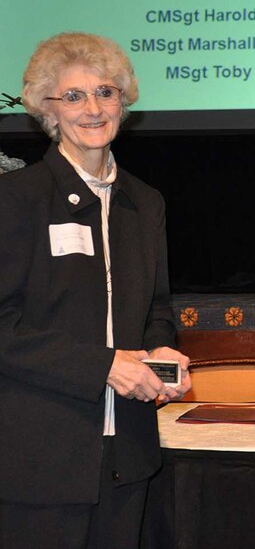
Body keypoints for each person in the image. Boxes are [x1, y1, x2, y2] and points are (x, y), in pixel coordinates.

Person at [0, 32, 192, 549]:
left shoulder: (144, 202)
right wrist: (103, 365)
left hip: (128, 454)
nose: (93, 109)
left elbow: (157, 308)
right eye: (74, 96)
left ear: (122, 103)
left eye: (106, 92)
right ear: (48, 108)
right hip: (39, 458)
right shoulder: (15, 199)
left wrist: (161, 351)